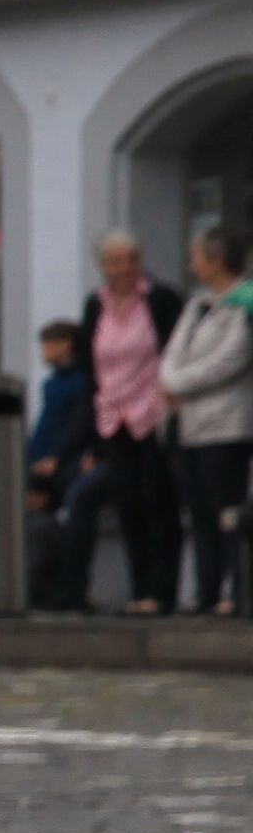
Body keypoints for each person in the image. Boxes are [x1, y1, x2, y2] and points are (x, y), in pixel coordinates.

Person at [81, 230, 185, 613]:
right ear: (103, 267)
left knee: (158, 501)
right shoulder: (96, 305)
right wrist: (92, 436)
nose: (122, 269)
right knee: (128, 504)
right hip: (113, 417)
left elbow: (176, 350)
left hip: (153, 412)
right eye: (113, 263)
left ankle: (163, 592)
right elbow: (88, 367)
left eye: (128, 260)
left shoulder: (160, 299)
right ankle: (140, 588)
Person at [168, 231, 253, 616]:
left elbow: (231, 359)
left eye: (197, 257)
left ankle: (236, 592)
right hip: (190, 424)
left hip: (227, 423)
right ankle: (206, 589)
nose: (192, 265)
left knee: (228, 512)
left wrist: (177, 383)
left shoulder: (244, 303)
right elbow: (173, 350)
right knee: (200, 512)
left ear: (217, 260)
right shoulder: (197, 305)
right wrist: (167, 378)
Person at [19, 319, 100, 614]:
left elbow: (74, 426)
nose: (44, 350)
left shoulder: (79, 382)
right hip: (42, 463)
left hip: (63, 463)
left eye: (48, 343)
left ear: (65, 343)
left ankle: (64, 590)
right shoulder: (52, 383)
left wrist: (58, 457)